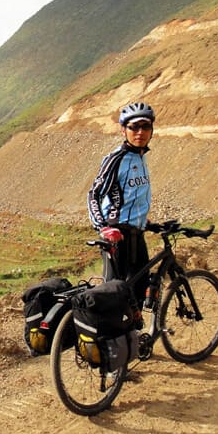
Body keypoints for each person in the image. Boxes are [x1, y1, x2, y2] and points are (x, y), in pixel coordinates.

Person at [87, 102, 156, 320]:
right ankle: (102, 336)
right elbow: (94, 194)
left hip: (136, 233)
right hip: (116, 235)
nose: (140, 132)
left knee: (139, 287)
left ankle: (131, 335)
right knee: (113, 293)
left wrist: (145, 221)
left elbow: (132, 197)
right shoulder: (116, 159)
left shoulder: (141, 156)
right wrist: (103, 227)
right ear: (123, 130)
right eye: (134, 127)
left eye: (145, 126)